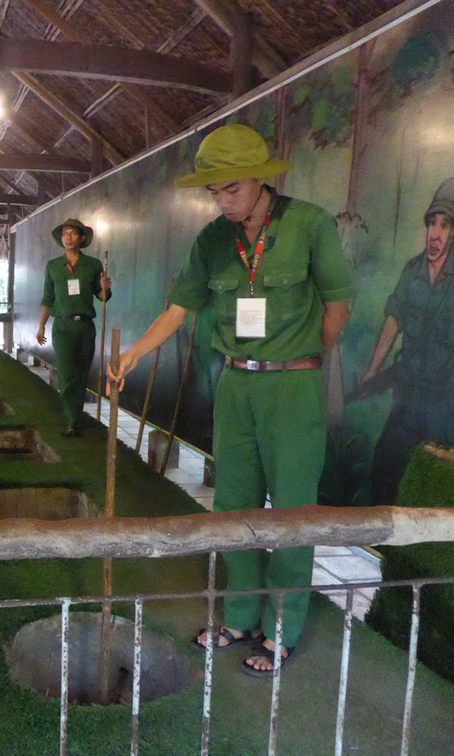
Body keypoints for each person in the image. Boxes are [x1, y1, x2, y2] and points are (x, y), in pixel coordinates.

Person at [108, 123, 353, 675]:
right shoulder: (213, 240)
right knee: (234, 506)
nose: (222, 202)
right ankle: (241, 617)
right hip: (235, 383)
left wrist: (303, 358)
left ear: (261, 181)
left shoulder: (310, 224)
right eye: (214, 192)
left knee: (292, 511)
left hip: (293, 386)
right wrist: (134, 355)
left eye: (232, 190)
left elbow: (338, 308)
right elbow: (178, 309)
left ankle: (282, 629)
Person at [359, 177, 454, 506]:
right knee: (386, 469)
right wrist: (374, 369)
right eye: (432, 223)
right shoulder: (413, 270)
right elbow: (394, 320)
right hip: (410, 396)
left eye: (445, 225)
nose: (435, 233)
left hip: (449, 401)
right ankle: (382, 548)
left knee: (441, 484)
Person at [36, 218, 112, 437]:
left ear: (81, 238)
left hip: (85, 327)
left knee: (81, 373)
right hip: (62, 327)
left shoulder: (94, 265)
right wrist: (42, 326)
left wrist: (105, 288)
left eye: (73, 233)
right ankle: (71, 420)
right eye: (65, 234)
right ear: (61, 239)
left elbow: (102, 297)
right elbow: (48, 298)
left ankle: (76, 416)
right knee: (67, 373)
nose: (68, 237)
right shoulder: (52, 266)